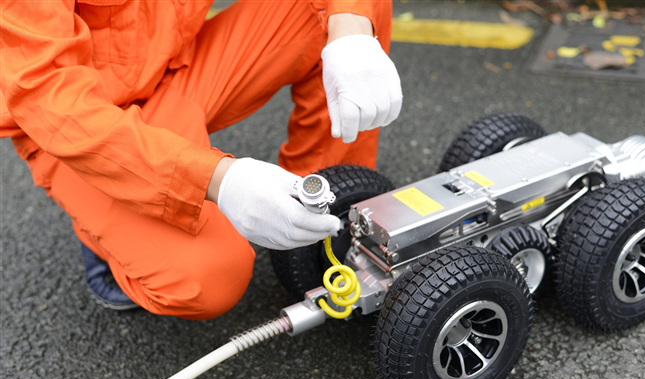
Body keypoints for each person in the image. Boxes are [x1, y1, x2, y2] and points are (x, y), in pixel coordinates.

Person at [1, 1, 404, 320]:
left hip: (174, 68)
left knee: (350, 11)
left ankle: (316, 220)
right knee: (208, 279)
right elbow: (49, 98)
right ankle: (106, 236)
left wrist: (350, 32)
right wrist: (219, 179)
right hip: (78, 124)